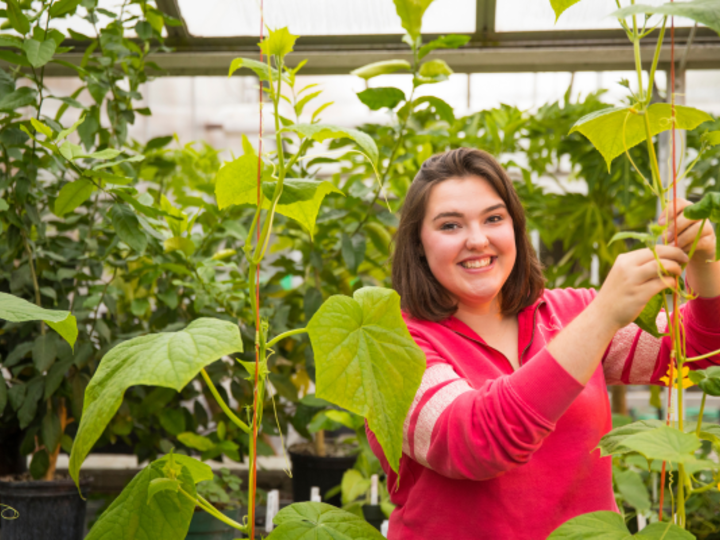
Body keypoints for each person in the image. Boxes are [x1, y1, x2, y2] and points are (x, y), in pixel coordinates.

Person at [367, 148, 720, 539]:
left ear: (515, 228)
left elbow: (695, 354)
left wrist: (705, 261)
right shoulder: (392, 346)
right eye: (450, 226)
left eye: (494, 218)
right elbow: (476, 443)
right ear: (417, 243)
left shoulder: (569, 314)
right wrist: (603, 315)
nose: (478, 239)